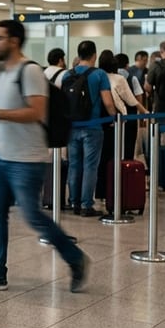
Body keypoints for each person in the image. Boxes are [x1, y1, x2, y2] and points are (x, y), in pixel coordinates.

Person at [0, 19, 90, 292]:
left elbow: (36, 112)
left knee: (32, 215)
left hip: (26, 159)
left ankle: (75, 257)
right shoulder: (0, 73)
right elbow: (1, 108)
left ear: (13, 40)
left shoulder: (31, 71)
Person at [62, 42, 114, 217]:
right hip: (93, 126)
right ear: (94, 55)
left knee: (74, 165)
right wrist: (114, 117)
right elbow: (107, 101)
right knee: (90, 166)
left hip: (71, 126)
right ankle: (86, 205)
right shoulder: (99, 74)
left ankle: (74, 202)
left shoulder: (67, 74)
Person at [95, 50, 145, 201]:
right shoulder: (119, 78)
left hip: (99, 120)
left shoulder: (96, 76)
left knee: (101, 158)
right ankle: (115, 190)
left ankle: (101, 192)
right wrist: (145, 112)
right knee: (116, 157)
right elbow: (131, 100)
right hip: (115, 121)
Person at [115, 53, 144, 161]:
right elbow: (139, 98)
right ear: (127, 65)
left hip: (112, 118)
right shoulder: (132, 78)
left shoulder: (109, 77)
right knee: (129, 146)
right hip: (130, 118)